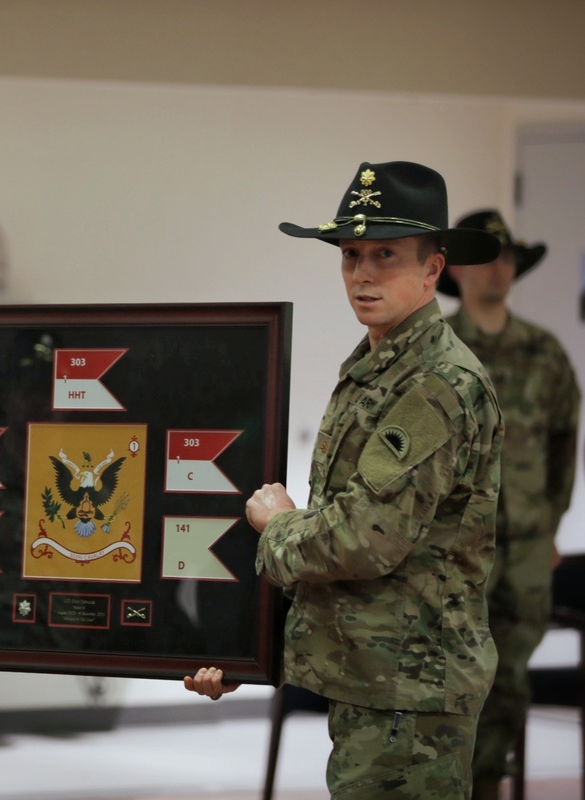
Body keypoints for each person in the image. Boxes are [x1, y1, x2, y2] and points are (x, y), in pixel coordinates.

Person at [185, 161, 505, 799]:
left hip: (409, 691)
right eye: (350, 254)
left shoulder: (434, 384)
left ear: (433, 269)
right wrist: (253, 649)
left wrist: (278, 526)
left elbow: (365, 538)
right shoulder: (381, 366)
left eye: (385, 254)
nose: (361, 272)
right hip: (376, 678)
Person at [438, 209, 580, 800]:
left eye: (507, 255)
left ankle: (489, 785)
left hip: (522, 550)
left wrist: (548, 524)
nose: (499, 266)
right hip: (450, 551)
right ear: (458, 269)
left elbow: (563, 444)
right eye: (486, 253)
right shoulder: (435, 347)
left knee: (509, 678)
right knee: (448, 676)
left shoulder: (545, 354)